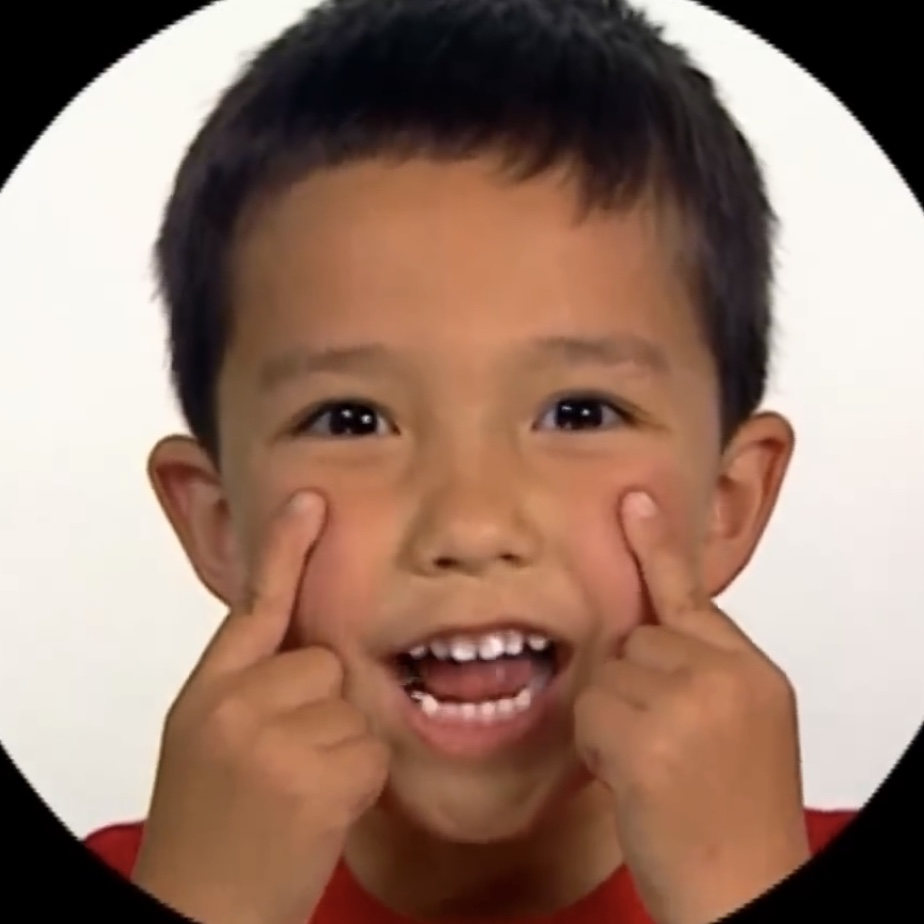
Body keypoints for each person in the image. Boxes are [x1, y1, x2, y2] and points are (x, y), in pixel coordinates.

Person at [84, 0, 856, 921]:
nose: (472, 524)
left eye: (579, 413)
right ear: (219, 525)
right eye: (352, 421)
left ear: (727, 503)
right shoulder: (166, 880)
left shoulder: (780, 867)